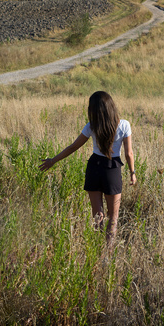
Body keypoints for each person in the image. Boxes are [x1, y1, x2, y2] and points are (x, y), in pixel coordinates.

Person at [39, 91, 136, 243]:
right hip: (112, 169)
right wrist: (132, 173)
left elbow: (72, 147)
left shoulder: (91, 126)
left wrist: (53, 160)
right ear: (111, 106)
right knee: (113, 217)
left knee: (98, 215)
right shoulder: (124, 125)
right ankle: (108, 254)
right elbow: (129, 153)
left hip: (94, 168)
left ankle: (97, 248)